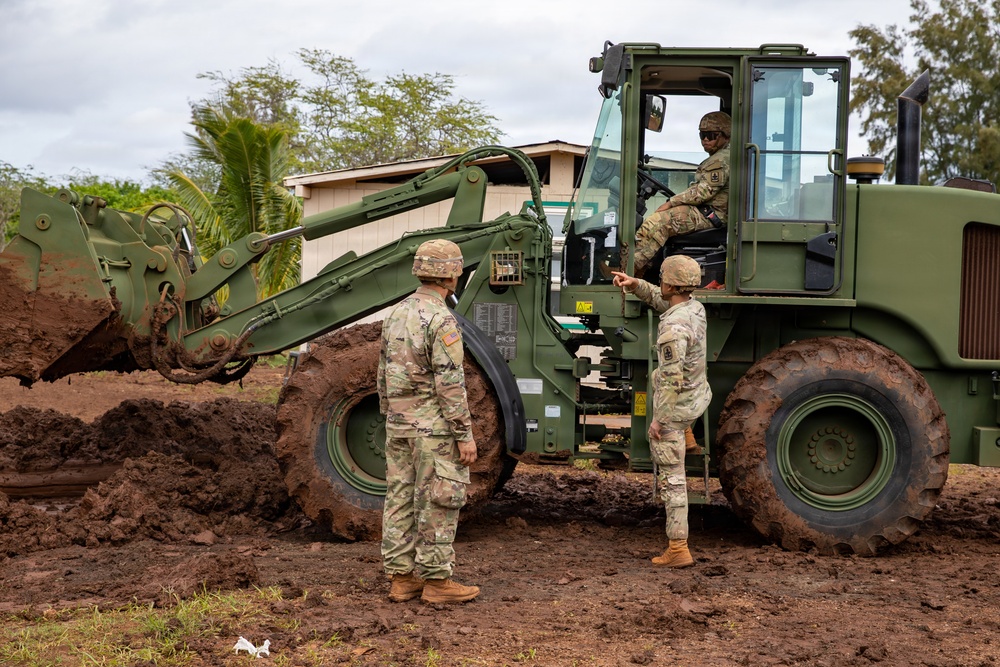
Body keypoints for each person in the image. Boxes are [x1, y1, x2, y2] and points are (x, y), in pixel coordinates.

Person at [377, 239, 480, 604]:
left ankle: (401, 579)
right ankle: (437, 582)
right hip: (433, 430)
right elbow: (449, 383)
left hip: (398, 425)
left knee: (400, 498)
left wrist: (390, 413)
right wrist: (464, 434)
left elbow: (382, 373)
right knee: (439, 500)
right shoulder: (441, 319)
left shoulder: (396, 313)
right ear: (452, 276)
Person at [611, 255, 712, 568]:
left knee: (672, 479)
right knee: (666, 392)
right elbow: (661, 299)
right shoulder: (693, 307)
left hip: (677, 407)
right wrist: (636, 285)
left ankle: (678, 548)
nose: (661, 284)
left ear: (671, 284)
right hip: (697, 397)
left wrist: (660, 421)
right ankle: (687, 434)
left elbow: (671, 379)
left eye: (663, 279)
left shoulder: (673, 326)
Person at [633, 111, 731, 277]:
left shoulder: (721, 159)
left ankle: (628, 271)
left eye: (711, 135)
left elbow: (702, 192)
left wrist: (671, 202)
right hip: (711, 212)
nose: (705, 140)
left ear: (725, 135)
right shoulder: (723, 156)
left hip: (714, 215)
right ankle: (641, 271)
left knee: (658, 222)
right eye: (702, 135)